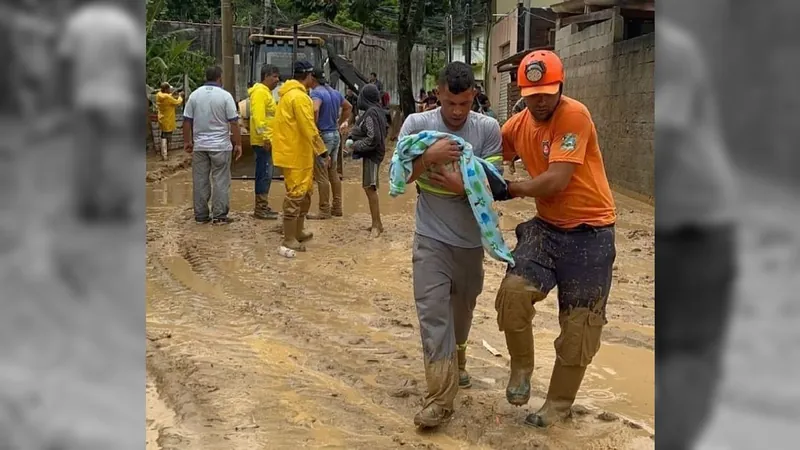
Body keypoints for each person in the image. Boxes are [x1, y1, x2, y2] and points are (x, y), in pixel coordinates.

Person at [490, 50, 617, 429]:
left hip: (591, 232)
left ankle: (559, 404)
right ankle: (522, 367)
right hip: (546, 227)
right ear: (522, 91)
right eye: (533, 93)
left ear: (560, 87)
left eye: (548, 91)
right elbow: (493, 155)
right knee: (512, 294)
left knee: (580, 326)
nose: (541, 99)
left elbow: (556, 180)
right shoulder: (515, 125)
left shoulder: (574, 115)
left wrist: (509, 189)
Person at [395, 61, 502, 428]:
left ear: (474, 96)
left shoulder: (487, 129)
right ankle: (440, 399)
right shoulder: (417, 126)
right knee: (433, 315)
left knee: (463, 309)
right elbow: (401, 175)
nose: (457, 113)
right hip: (430, 238)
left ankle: (459, 357)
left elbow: (494, 188)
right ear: (437, 93)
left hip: (471, 243)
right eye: (450, 104)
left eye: (464, 104)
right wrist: (428, 158)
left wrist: (463, 187)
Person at [656, 20, 737, 449]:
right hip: (682, 230)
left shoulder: (672, 49)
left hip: (698, 230)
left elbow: (664, 145)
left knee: (685, 358)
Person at [57, 0, 142, 222]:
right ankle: (118, 206)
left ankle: (88, 206)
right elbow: (135, 64)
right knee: (118, 152)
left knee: (86, 153)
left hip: (84, 98)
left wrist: (65, 98)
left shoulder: (77, 23)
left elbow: (65, 62)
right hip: (118, 98)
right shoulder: (123, 23)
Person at [271, 60, 330, 252]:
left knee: (304, 192)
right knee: (296, 195)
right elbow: (309, 127)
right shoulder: (300, 98)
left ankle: (298, 231)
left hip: (294, 152)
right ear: (309, 76)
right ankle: (289, 237)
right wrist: (322, 151)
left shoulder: (288, 95)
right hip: (296, 154)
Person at [182, 66, 243, 225]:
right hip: (221, 146)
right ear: (219, 78)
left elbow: (187, 121)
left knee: (200, 180)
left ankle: (201, 216)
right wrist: (238, 144)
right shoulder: (225, 96)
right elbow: (234, 123)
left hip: (200, 146)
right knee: (221, 180)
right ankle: (220, 216)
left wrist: (187, 141)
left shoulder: (194, 96)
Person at [307, 69, 352, 220]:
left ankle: (324, 210)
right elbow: (348, 107)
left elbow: (314, 109)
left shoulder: (316, 93)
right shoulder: (334, 92)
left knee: (321, 174)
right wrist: (339, 123)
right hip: (335, 135)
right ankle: (337, 207)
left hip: (323, 136)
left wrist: (314, 127)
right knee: (333, 171)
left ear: (312, 78)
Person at [345, 84, 389, 236]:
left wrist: (356, 145)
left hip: (372, 154)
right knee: (369, 187)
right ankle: (376, 223)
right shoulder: (378, 111)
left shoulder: (371, 113)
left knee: (370, 188)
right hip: (375, 152)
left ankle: (377, 224)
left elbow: (373, 137)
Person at [248, 64, 281, 220]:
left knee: (266, 174)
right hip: (263, 142)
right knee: (264, 173)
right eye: (274, 76)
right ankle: (260, 208)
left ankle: (263, 205)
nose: (277, 80)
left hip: (266, 140)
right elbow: (259, 118)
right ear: (266, 76)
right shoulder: (260, 93)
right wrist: (266, 138)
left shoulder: (265, 93)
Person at [155, 82, 183, 160]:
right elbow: (177, 102)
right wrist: (180, 96)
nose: (170, 90)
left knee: (163, 135)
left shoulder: (159, 95)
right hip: (168, 119)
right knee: (168, 136)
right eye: (169, 89)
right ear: (166, 89)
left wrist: (172, 93)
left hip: (162, 118)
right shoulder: (167, 97)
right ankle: (165, 154)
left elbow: (167, 97)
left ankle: (163, 153)